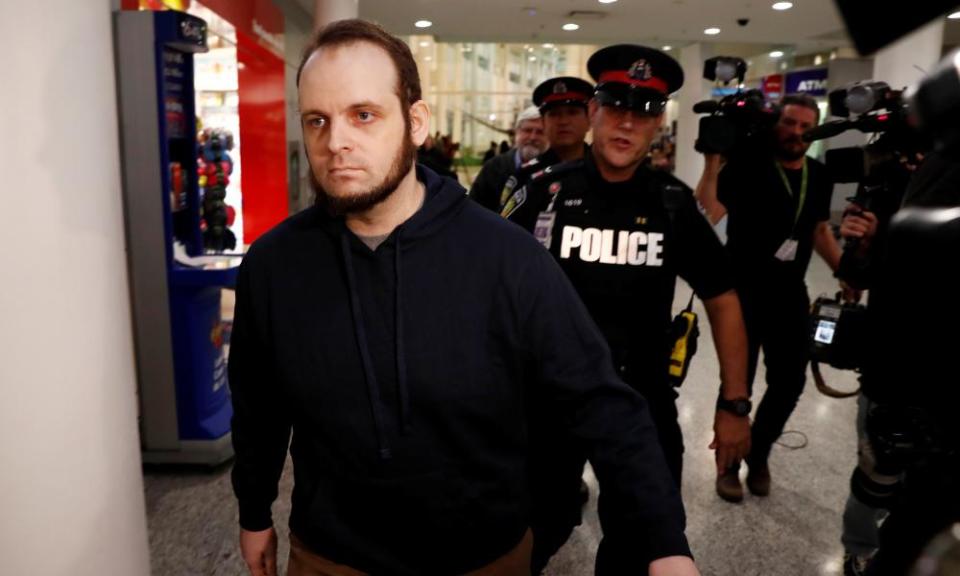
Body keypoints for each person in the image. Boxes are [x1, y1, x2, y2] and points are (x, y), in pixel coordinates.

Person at [229, 19, 700, 576]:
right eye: (317, 120)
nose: (336, 143)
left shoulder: (508, 258)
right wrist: (254, 510)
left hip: (484, 557)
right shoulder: (274, 266)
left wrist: (663, 542)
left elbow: (602, 401)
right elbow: (259, 405)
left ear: (416, 121)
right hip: (331, 555)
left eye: (363, 115)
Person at [504, 44, 751, 571]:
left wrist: (734, 405)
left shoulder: (672, 203)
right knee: (527, 530)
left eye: (643, 111)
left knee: (642, 540)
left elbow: (723, 299)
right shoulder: (544, 193)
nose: (626, 123)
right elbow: (487, 288)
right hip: (549, 400)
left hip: (642, 399)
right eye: (615, 105)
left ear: (659, 121)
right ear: (594, 111)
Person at [696, 93, 847, 501]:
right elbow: (708, 210)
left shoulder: (818, 175)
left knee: (790, 381)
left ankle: (757, 452)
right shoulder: (746, 167)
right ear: (775, 125)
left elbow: (818, 230)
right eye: (789, 123)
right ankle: (727, 465)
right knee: (736, 383)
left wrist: (844, 270)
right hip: (741, 293)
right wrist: (713, 158)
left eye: (804, 126)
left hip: (789, 293)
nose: (796, 132)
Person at [498, 77, 593, 219]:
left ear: (589, 120)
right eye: (554, 114)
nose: (563, 121)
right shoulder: (526, 176)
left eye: (572, 112)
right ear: (543, 122)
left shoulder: (607, 171)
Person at [468, 106, 546, 212]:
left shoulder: (556, 168)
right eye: (528, 130)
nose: (532, 137)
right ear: (517, 132)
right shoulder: (493, 167)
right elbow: (474, 209)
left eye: (540, 132)